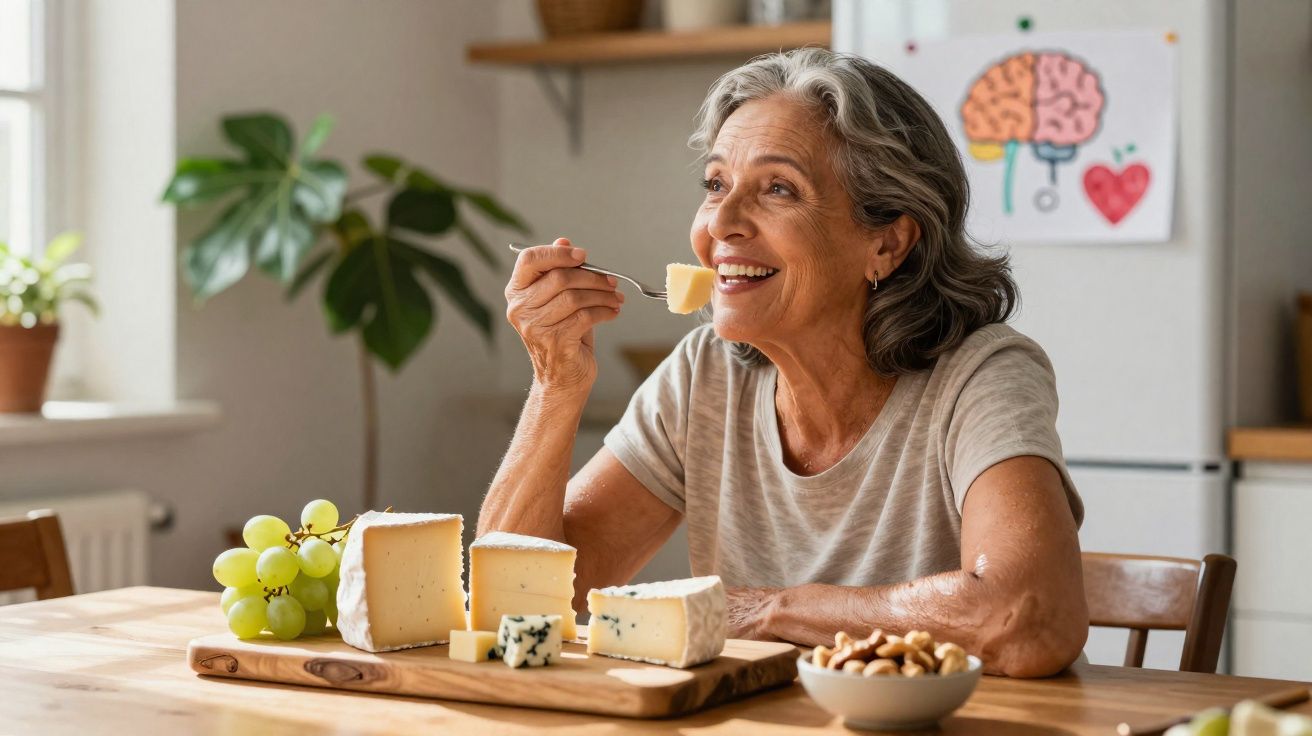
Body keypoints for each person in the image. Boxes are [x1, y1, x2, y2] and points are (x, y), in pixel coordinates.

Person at [479, 48, 1088, 678]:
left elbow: (1027, 619)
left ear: (887, 242)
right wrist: (556, 383)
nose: (721, 223)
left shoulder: (981, 376)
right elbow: (517, 606)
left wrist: (770, 610)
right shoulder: (705, 376)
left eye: (778, 189)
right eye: (715, 184)